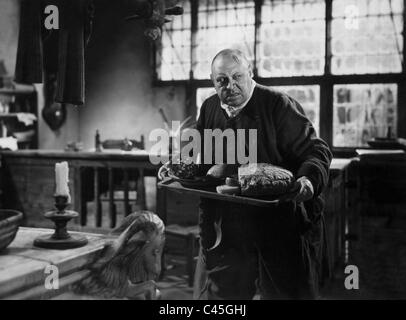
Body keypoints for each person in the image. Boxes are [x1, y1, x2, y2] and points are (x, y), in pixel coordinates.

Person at [160, 49, 332, 300]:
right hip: (227, 224)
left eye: (237, 76)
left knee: (285, 293)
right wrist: (176, 165)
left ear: (249, 73)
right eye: (222, 80)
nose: (230, 86)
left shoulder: (277, 104)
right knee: (225, 295)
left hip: (278, 220)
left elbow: (317, 150)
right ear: (212, 81)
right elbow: (199, 158)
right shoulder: (209, 107)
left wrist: (307, 180)